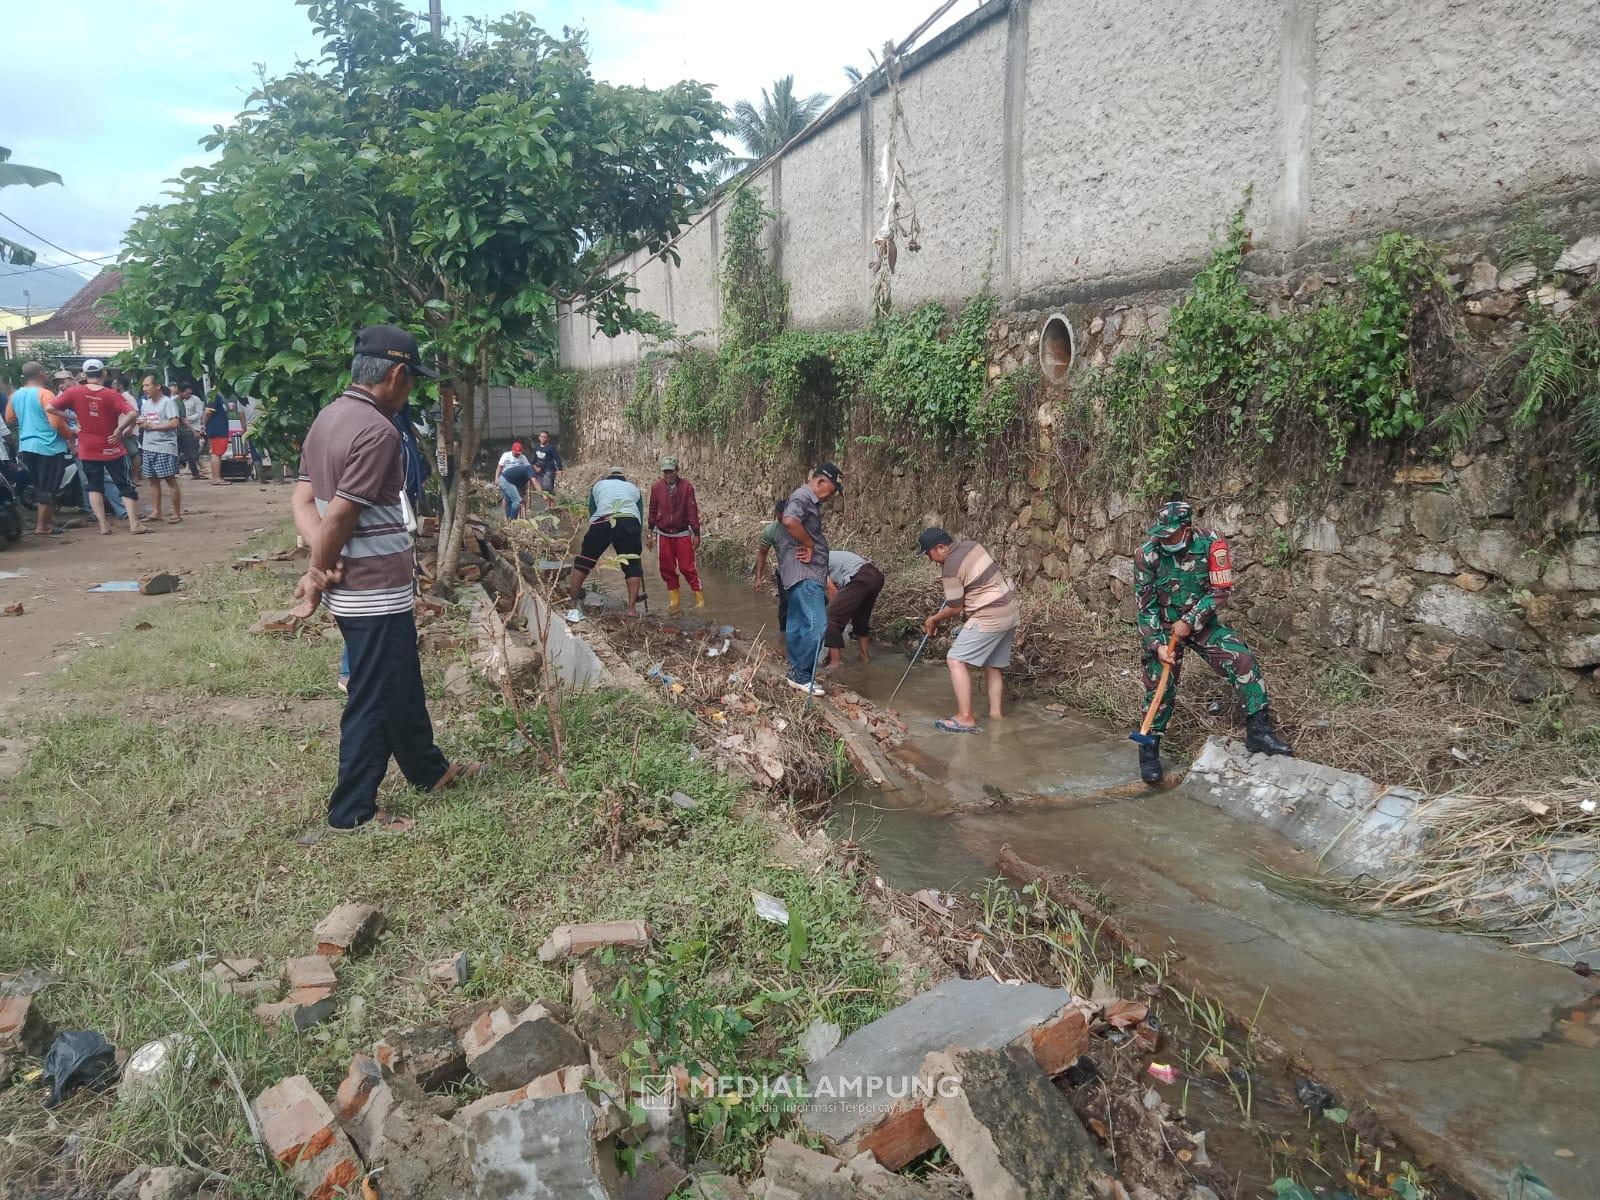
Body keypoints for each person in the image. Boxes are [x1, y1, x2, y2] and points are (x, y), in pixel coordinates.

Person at [290, 324, 481, 840]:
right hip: (371, 589)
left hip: (368, 588)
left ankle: (428, 770)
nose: (410, 391)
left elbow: (304, 503)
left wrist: (321, 560)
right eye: (411, 381)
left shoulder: (328, 418)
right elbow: (341, 517)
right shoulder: (377, 431)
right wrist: (317, 569)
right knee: (373, 694)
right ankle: (352, 812)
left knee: (400, 680)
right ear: (396, 374)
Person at [1133, 500, 1292, 783]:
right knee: (1160, 684)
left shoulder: (1212, 543)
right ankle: (1149, 751)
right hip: (1164, 627)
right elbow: (1146, 609)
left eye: (1170, 534)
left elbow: (1221, 589)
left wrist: (1191, 621)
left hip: (1201, 623)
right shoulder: (1147, 555)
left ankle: (1259, 732)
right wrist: (1158, 645)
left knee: (1242, 660)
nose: (1164, 539)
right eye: (1161, 534)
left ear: (1187, 529)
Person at [917, 527, 1020, 732]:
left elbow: (956, 607)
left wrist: (934, 620)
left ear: (941, 547)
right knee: (992, 665)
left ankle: (966, 717)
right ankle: (996, 717)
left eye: (929, 554)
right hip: (1009, 611)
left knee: (955, 659)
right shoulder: (972, 545)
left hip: (989, 615)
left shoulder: (951, 567)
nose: (930, 559)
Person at [51, 359, 146, 536]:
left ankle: (103, 525)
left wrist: (73, 419)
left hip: (87, 447)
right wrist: (119, 429)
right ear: (104, 374)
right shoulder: (111, 394)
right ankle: (134, 524)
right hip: (112, 445)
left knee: (94, 487)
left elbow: (50, 407)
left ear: (84, 375)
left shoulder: (74, 392)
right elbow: (133, 413)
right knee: (125, 484)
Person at [777, 462, 843, 696]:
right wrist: (809, 543)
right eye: (831, 490)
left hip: (798, 573)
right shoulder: (803, 497)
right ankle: (803, 675)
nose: (830, 496)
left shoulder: (806, 498)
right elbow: (789, 520)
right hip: (806, 572)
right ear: (821, 481)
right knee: (817, 624)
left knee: (797, 623)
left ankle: (796, 672)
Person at [4, 362, 72, 536]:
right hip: (48, 446)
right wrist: (70, 434)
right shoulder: (46, 394)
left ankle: (49, 521)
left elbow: (9, 418)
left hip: (26, 446)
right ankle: (42, 526)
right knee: (48, 487)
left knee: (39, 485)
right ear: (40, 373)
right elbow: (56, 422)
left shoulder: (16, 395)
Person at [568, 468, 645, 616]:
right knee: (633, 566)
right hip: (629, 521)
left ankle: (572, 601)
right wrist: (634, 538)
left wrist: (600, 533)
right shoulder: (634, 488)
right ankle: (632, 610)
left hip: (603, 520)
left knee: (584, 560)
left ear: (608, 477)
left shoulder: (598, 485)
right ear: (624, 478)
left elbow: (593, 510)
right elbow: (639, 515)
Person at [648, 455, 703, 615]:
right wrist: (649, 532)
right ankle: (675, 601)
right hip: (663, 534)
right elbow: (652, 509)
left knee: (688, 568)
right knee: (666, 568)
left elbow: (692, 511)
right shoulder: (656, 488)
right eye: (665, 472)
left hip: (682, 533)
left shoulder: (687, 487)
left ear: (677, 471)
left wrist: (696, 533)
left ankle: (699, 599)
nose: (668, 475)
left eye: (670, 472)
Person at [822, 548, 885, 670]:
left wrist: (834, 614)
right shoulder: (827, 556)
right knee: (860, 618)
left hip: (861, 576)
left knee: (830, 618)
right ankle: (865, 657)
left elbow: (832, 592)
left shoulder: (814, 563)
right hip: (875, 576)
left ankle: (836, 663)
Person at [137, 376, 183, 522]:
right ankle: (156, 512)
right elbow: (146, 422)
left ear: (157, 386)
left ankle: (176, 513)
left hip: (165, 447)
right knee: (153, 481)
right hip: (149, 446)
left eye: (147, 385)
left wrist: (154, 426)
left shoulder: (168, 403)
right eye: (143, 386)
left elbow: (175, 423)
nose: (144, 389)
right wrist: (142, 423)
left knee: (170, 480)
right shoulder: (145, 405)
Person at [752, 499, 788, 631]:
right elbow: (762, 553)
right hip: (784, 573)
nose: (782, 522)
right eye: (779, 519)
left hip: (803, 571)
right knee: (785, 607)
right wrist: (758, 578)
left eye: (785, 519)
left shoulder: (801, 526)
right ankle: (783, 639)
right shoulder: (771, 531)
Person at [201, 384, 231, 485]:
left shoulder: (217, 396)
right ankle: (216, 478)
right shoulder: (212, 395)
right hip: (217, 428)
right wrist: (203, 425)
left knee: (217, 453)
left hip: (219, 428)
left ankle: (217, 477)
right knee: (217, 453)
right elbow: (208, 412)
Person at [495, 441, 531, 518]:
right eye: (516, 453)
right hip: (507, 480)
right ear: (512, 450)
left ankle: (523, 516)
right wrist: (496, 479)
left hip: (518, 481)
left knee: (521, 498)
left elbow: (529, 469)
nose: (517, 454)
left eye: (519, 453)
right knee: (506, 498)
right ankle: (504, 516)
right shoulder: (506, 456)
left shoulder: (523, 458)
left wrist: (527, 484)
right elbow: (499, 467)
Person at [177, 382, 205, 479]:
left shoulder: (194, 400)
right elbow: (182, 419)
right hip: (181, 430)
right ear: (180, 392)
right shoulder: (177, 402)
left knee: (191, 452)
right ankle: (195, 472)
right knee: (187, 452)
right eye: (187, 393)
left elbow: (199, 413)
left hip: (188, 428)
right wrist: (193, 430)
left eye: (190, 393)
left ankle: (195, 472)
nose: (188, 395)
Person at [529, 430, 562, 496]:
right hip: (539, 471)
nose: (543, 439)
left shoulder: (551, 448)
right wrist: (532, 465)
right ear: (539, 438)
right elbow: (534, 458)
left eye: (545, 437)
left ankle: (552, 504)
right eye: (542, 437)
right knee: (542, 488)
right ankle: (548, 502)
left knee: (549, 487)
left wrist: (560, 469)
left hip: (549, 470)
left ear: (548, 439)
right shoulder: (537, 447)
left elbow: (557, 458)